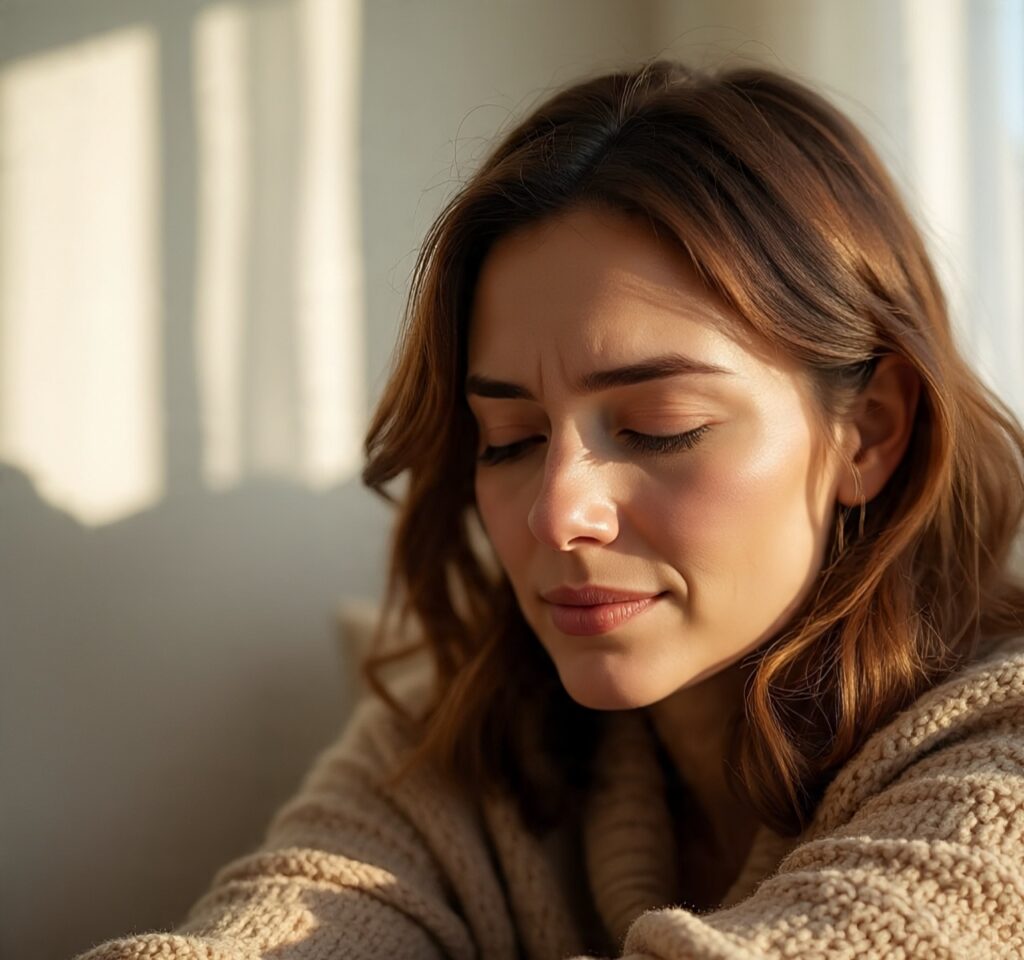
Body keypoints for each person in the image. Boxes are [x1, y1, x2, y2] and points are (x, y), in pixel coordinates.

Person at [78, 59, 1024, 960]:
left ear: (869, 431)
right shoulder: (461, 732)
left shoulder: (1004, 751)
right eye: (510, 439)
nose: (556, 514)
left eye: (661, 426)